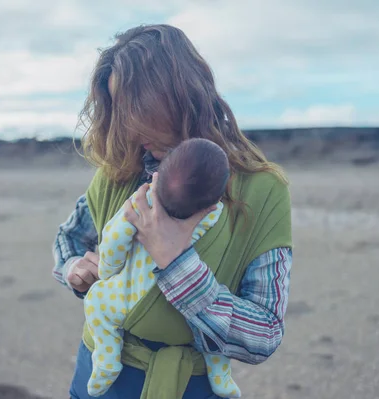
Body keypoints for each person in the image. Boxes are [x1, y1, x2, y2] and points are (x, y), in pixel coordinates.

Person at [52, 24, 293, 399]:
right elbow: (68, 238)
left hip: (193, 386)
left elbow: (263, 335)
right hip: (99, 376)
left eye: (138, 106)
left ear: (183, 93)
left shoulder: (262, 191)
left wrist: (178, 264)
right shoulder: (120, 172)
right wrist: (74, 270)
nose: (128, 124)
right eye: (119, 108)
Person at [84, 138, 240, 398]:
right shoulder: (214, 214)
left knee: (97, 301)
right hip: (191, 309)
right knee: (212, 332)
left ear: (156, 177)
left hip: (132, 299)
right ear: (212, 199)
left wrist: (107, 272)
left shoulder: (141, 204)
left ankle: (107, 360)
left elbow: (113, 240)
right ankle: (221, 375)